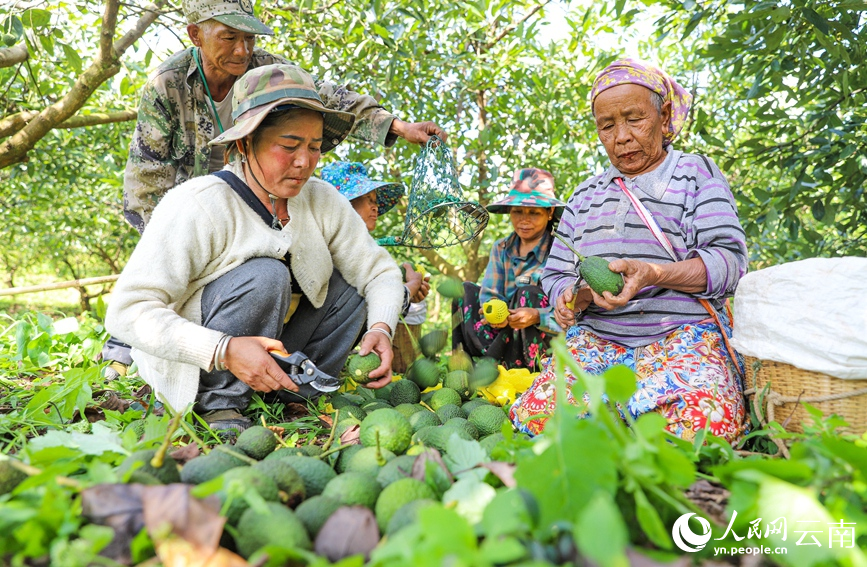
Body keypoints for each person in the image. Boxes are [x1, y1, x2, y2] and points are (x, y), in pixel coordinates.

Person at [103, 0, 444, 377]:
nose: (241, 50)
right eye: (229, 37)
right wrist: (166, 251)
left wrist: (397, 126)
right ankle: (160, 361)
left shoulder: (266, 71)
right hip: (199, 207)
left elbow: (328, 99)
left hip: (269, 193)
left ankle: (294, 378)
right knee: (201, 282)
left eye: (248, 38)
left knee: (290, 273)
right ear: (195, 34)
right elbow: (145, 178)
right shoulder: (168, 85)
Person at [105, 64, 404, 432]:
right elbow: (127, 310)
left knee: (351, 286)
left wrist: (381, 328)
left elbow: (380, 271)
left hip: (279, 352)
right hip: (202, 368)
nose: (304, 162)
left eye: (314, 148)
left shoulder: (321, 200)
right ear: (245, 144)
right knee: (266, 275)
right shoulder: (198, 204)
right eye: (289, 146)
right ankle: (220, 404)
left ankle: (293, 393)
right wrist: (223, 349)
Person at [509, 59, 749, 443]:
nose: (620, 137)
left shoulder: (696, 173)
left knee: (705, 428)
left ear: (664, 114)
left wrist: (653, 274)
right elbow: (554, 276)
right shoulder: (584, 196)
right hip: (597, 341)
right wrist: (575, 297)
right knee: (540, 420)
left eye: (634, 119)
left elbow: (730, 264)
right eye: (607, 125)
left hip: (681, 336)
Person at [321, 161, 431, 373]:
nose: (376, 207)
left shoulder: (361, 246)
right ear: (343, 204)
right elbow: (355, 296)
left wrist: (407, 293)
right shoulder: (332, 244)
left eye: (375, 201)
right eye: (367, 200)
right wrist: (408, 290)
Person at [452, 169, 565, 370]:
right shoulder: (501, 248)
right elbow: (490, 294)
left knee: (528, 293)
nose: (524, 220)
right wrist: (495, 311)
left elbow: (573, 312)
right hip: (502, 336)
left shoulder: (561, 250)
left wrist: (538, 315)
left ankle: (534, 372)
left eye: (534, 213)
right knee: (463, 291)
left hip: (543, 341)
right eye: (518, 211)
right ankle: (463, 371)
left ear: (549, 213)